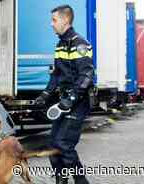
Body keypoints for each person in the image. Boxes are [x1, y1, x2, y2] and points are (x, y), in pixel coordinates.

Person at [35, 4, 94, 184]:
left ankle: (81, 181)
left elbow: (86, 75)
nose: (51, 24)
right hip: (64, 101)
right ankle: (61, 180)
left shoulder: (80, 44)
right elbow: (56, 74)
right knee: (53, 144)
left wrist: (72, 99)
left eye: (54, 20)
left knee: (64, 143)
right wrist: (45, 94)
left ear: (65, 20)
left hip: (79, 102)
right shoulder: (60, 45)